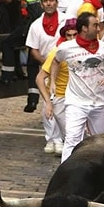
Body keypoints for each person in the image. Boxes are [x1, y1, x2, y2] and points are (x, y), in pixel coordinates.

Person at [51, 12, 104, 161]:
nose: (98, 28)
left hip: (100, 103)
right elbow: (55, 61)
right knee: (72, 139)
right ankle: (66, 173)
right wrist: (52, 82)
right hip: (76, 102)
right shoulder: (66, 47)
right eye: (95, 25)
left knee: (101, 142)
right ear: (84, 28)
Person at [23, 0, 70, 113]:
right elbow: (33, 50)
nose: (48, 3)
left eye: (51, 0)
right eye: (45, 1)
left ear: (56, 2)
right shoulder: (35, 26)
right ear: (41, 4)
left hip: (67, 68)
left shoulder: (67, 21)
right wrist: (47, 63)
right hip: (47, 69)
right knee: (50, 104)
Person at [36, 18, 77, 155]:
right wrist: (48, 102)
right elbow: (40, 78)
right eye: (68, 35)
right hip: (60, 96)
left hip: (80, 98)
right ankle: (55, 140)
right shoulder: (57, 52)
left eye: (74, 35)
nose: (71, 39)